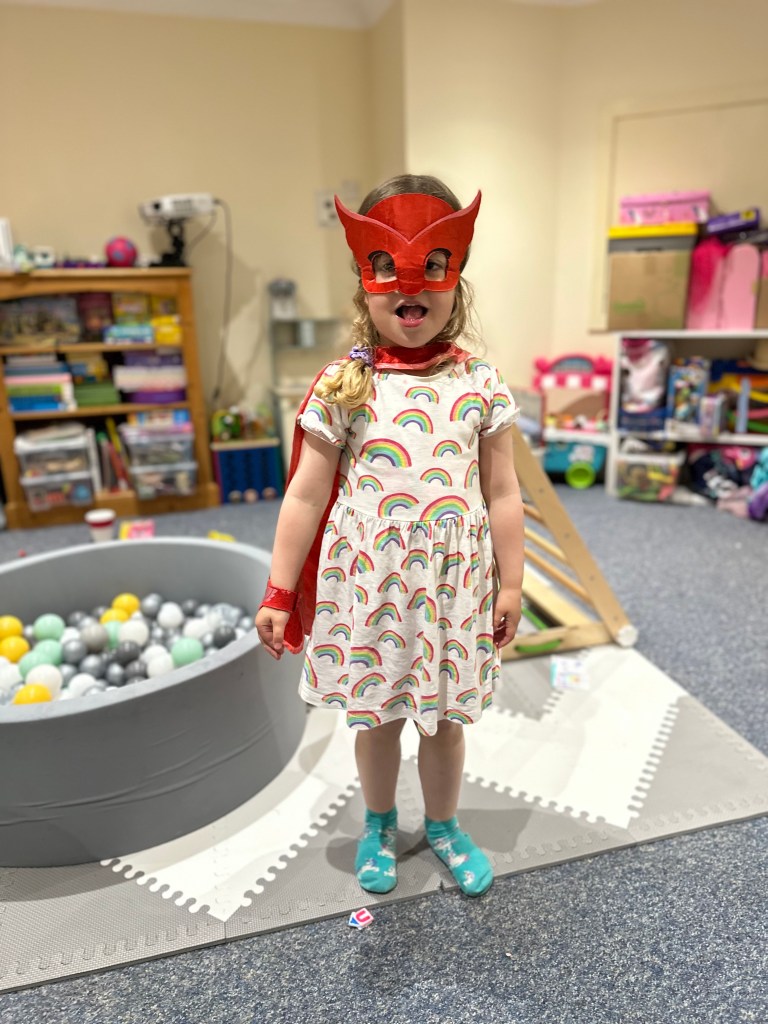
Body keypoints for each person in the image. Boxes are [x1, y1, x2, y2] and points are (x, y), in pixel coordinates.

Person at [255, 173, 524, 898]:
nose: (411, 289)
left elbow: (503, 491)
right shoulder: (345, 384)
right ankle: (378, 822)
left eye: (433, 268)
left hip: (451, 593)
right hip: (373, 590)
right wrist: (279, 589)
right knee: (377, 722)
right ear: (363, 283)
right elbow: (305, 493)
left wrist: (512, 583)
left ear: (456, 280)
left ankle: (443, 824)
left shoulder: (481, 383)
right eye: (390, 271)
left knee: (443, 724)